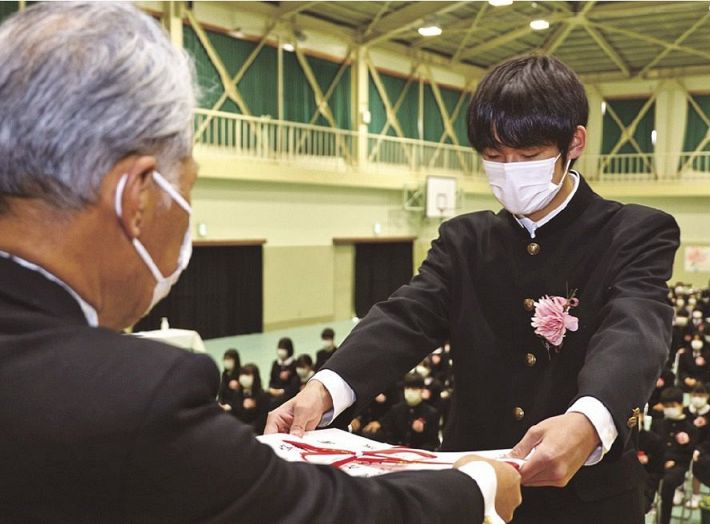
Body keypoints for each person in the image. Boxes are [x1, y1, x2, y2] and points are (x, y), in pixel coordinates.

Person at [0, 3, 522, 522]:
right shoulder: (129, 397)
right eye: (187, 189)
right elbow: (325, 512)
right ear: (135, 196)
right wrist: (475, 487)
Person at [268, 54, 680, 523]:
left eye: (528, 157)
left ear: (575, 143)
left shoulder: (633, 231)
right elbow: (407, 316)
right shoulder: (465, 240)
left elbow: (635, 326)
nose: (509, 170)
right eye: (494, 156)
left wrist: (590, 419)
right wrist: (324, 390)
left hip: (587, 501)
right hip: (473, 490)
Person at [651, 387, 696, 524]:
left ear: (681, 405)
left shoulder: (690, 428)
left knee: (668, 482)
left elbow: (689, 453)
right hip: (657, 462)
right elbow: (653, 447)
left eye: (673, 406)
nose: (669, 409)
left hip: (678, 466)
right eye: (666, 406)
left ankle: (664, 520)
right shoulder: (657, 424)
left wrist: (672, 460)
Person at [363, 373, 441, 451]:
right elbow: (390, 434)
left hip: (419, 456)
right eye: (407, 388)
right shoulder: (396, 409)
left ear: (422, 390)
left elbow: (433, 442)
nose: (410, 392)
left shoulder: (431, 413)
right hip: (397, 453)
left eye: (414, 389)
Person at [267, 337, 300, 409]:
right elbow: (271, 380)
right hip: (274, 391)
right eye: (279, 348)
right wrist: (271, 389)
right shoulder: (275, 363)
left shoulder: (295, 364)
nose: (280, 351)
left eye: (283, 348)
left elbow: (294, 385)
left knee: (274, 403)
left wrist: (281, 391)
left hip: (287, 394)